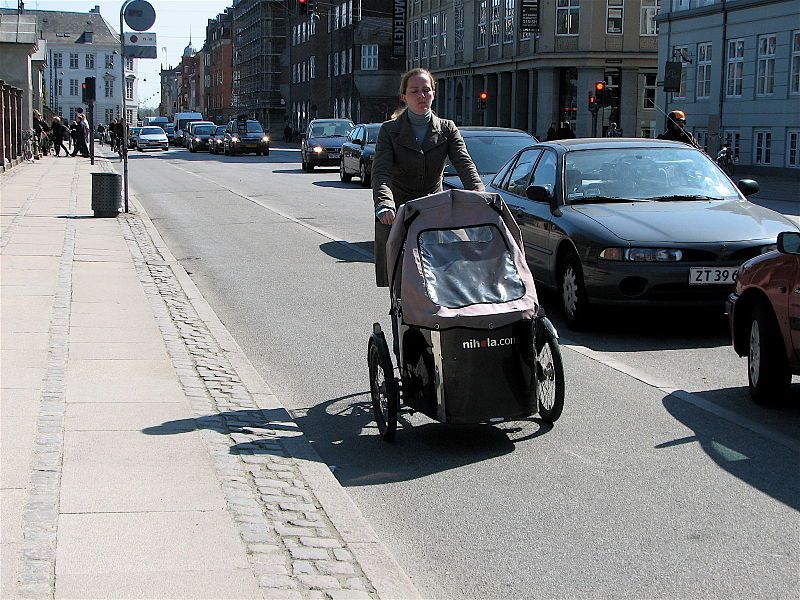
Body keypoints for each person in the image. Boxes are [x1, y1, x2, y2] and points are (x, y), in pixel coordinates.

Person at [371, 67, 484, 287]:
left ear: (433, 93)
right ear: (404, 96)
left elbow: (464, 163)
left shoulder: (447, 128)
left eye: (426, 90)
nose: (421, 95)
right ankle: (400, 305)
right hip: (400, 209)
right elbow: (381, 172)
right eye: (414, 91)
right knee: (400, 271)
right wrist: (385, 204)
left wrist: (478, 191)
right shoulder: (389, 130)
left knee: (444, 267)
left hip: (434, 207)